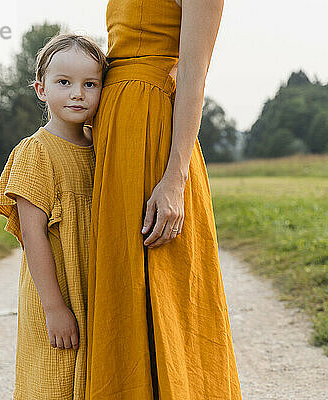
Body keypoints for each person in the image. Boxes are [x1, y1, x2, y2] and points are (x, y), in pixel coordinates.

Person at [86, 0, 243, 398]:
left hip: (155, 131)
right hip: (115, 129)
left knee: (169, 281)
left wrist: (175, 179)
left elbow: (193, 74)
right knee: (121, 280)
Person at [0, 33, 108, 399]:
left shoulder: (102, 148)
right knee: (53, 379)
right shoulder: (36, 152)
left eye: (90, 84)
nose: (78, 93)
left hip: (94, 287)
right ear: (42, 89)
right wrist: (54, 307)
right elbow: (33, 236)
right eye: (64, 83)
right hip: (55, 291)